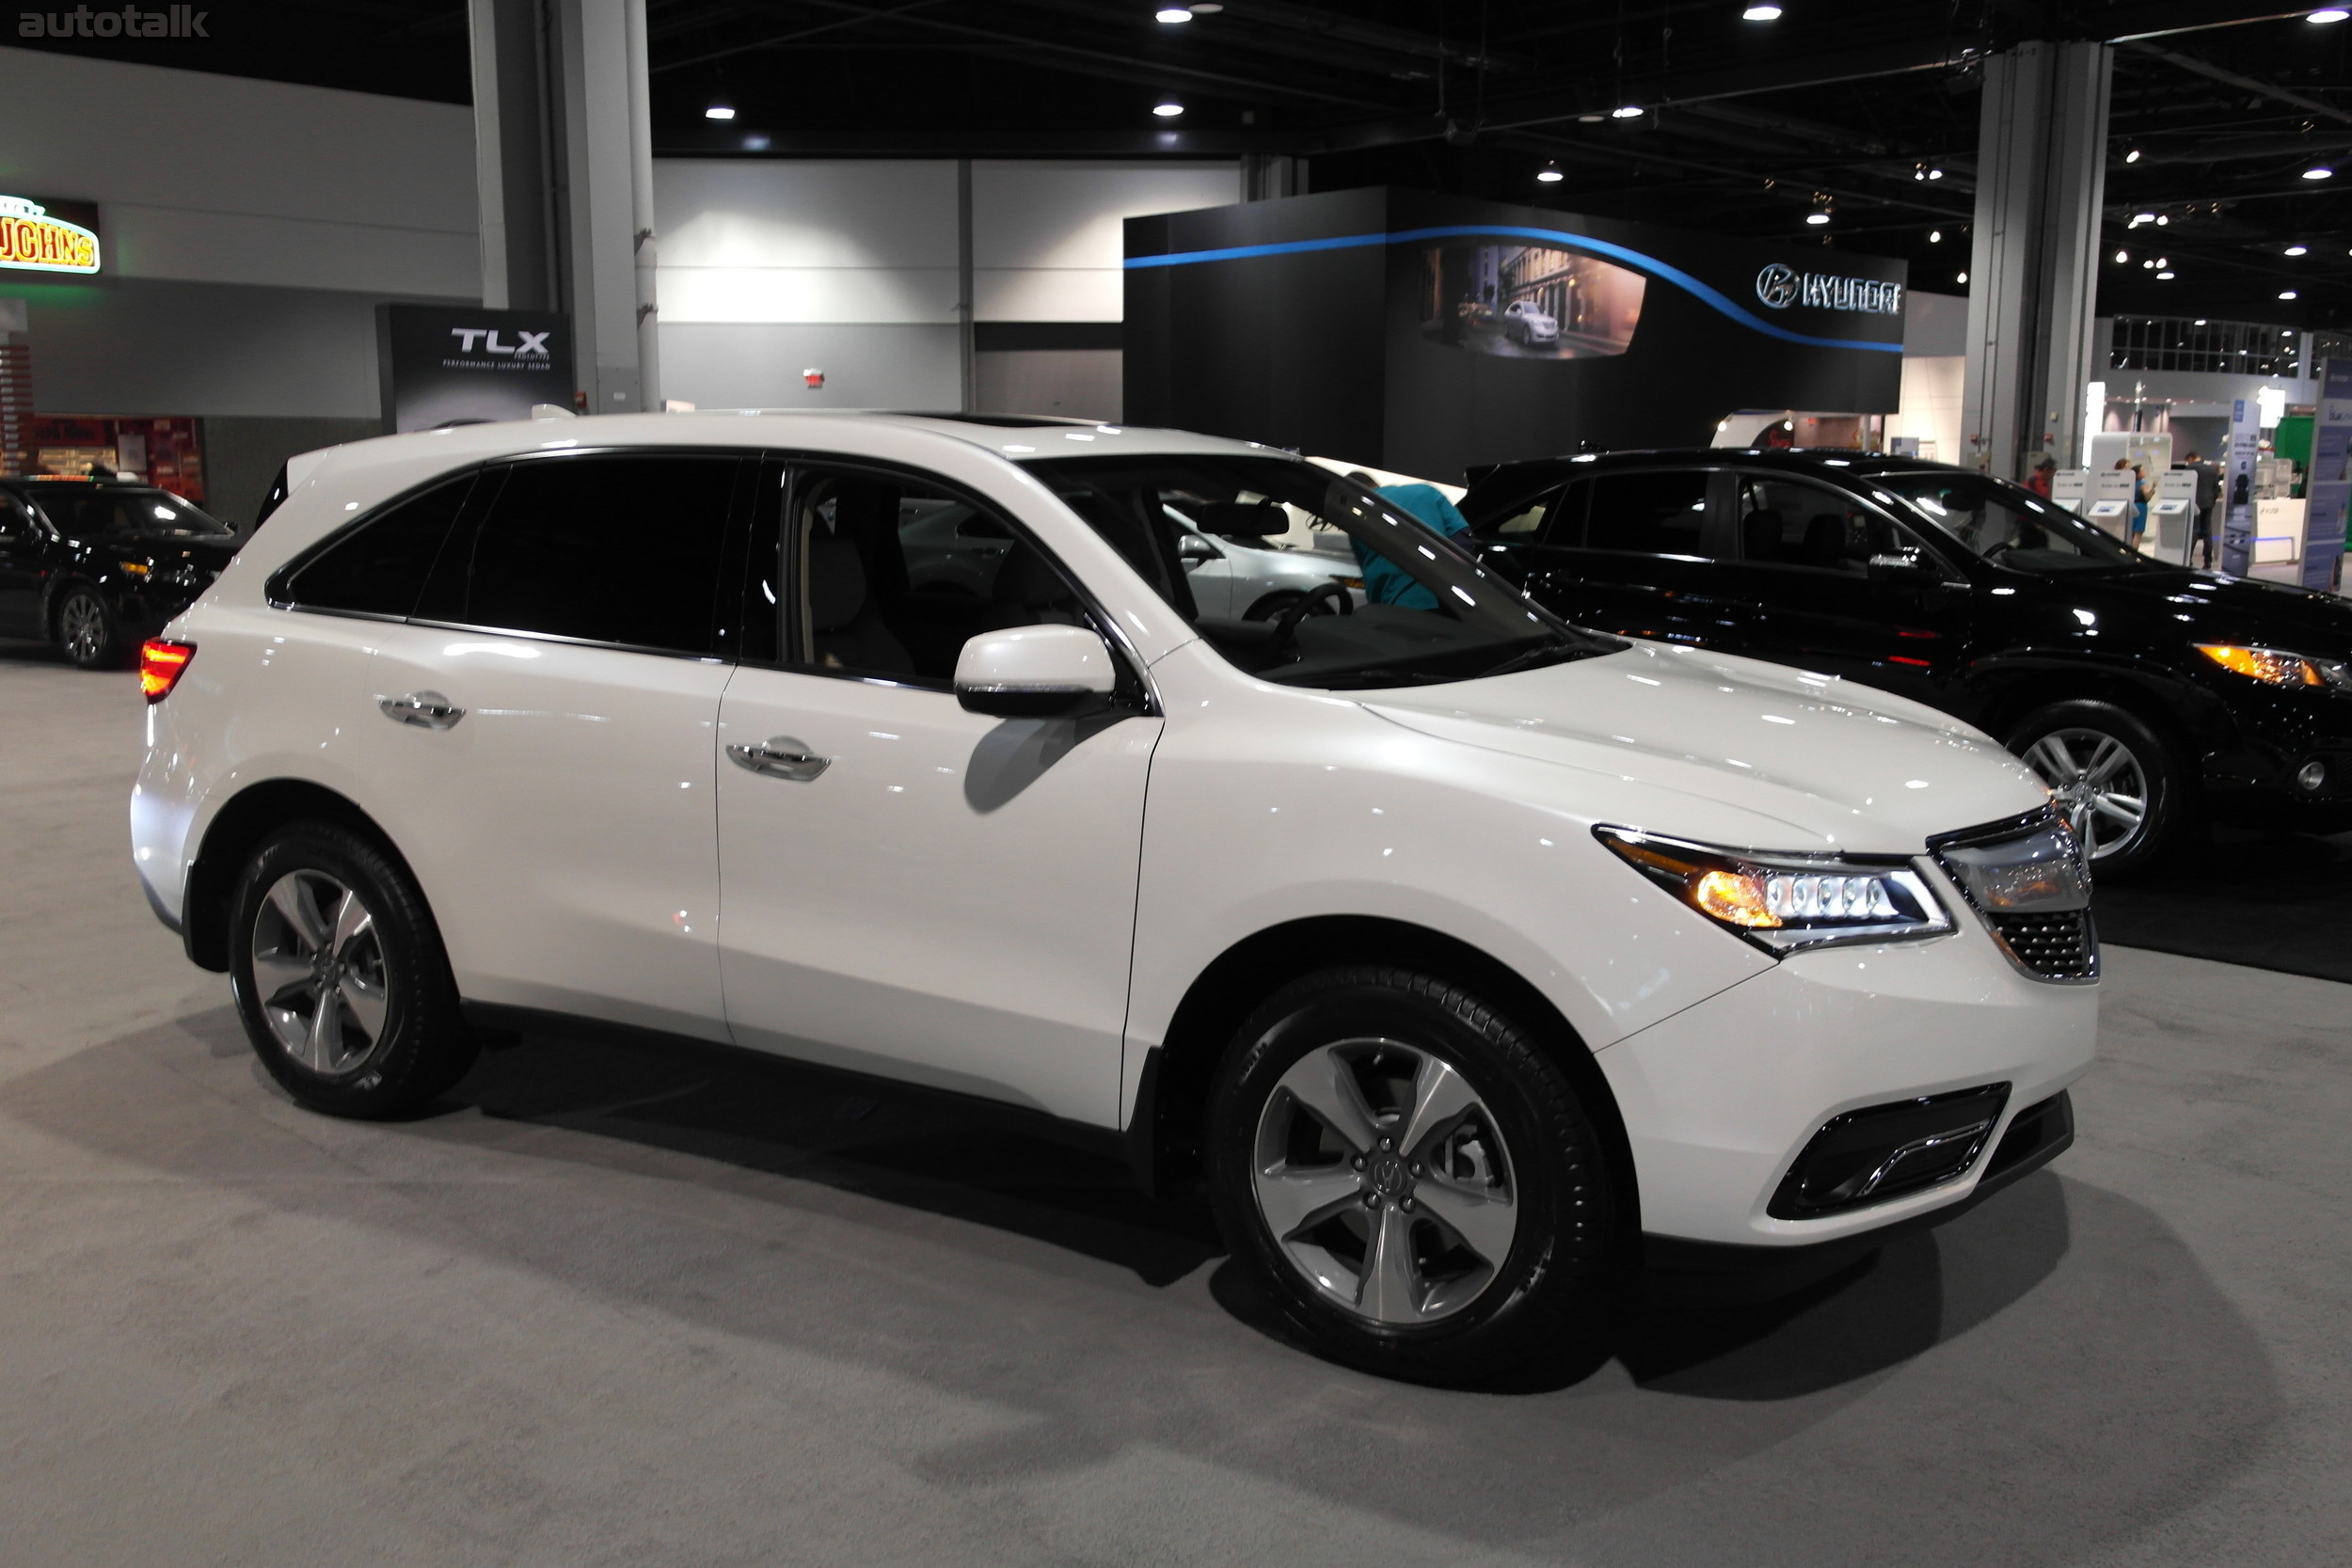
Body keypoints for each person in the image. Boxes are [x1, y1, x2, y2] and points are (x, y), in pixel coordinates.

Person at [1344, 470, 1471, 610]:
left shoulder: (1358, 518)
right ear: (1375, 484)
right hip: (1440, 601)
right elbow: (1463, 541)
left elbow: (1369, 576)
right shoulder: (1426, 491)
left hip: (1392, 607)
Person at [2184, 449, 2221, 568]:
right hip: (2208, 503)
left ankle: (2188, 559)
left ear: (2191, 458)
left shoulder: (2189, 469)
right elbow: (2216, 488)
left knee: (2194, 530)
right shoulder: (2212, 469)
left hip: (2195, 504)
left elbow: (2186, 487)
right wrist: (2212, 500)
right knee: (2207, 532)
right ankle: (2208, 560)